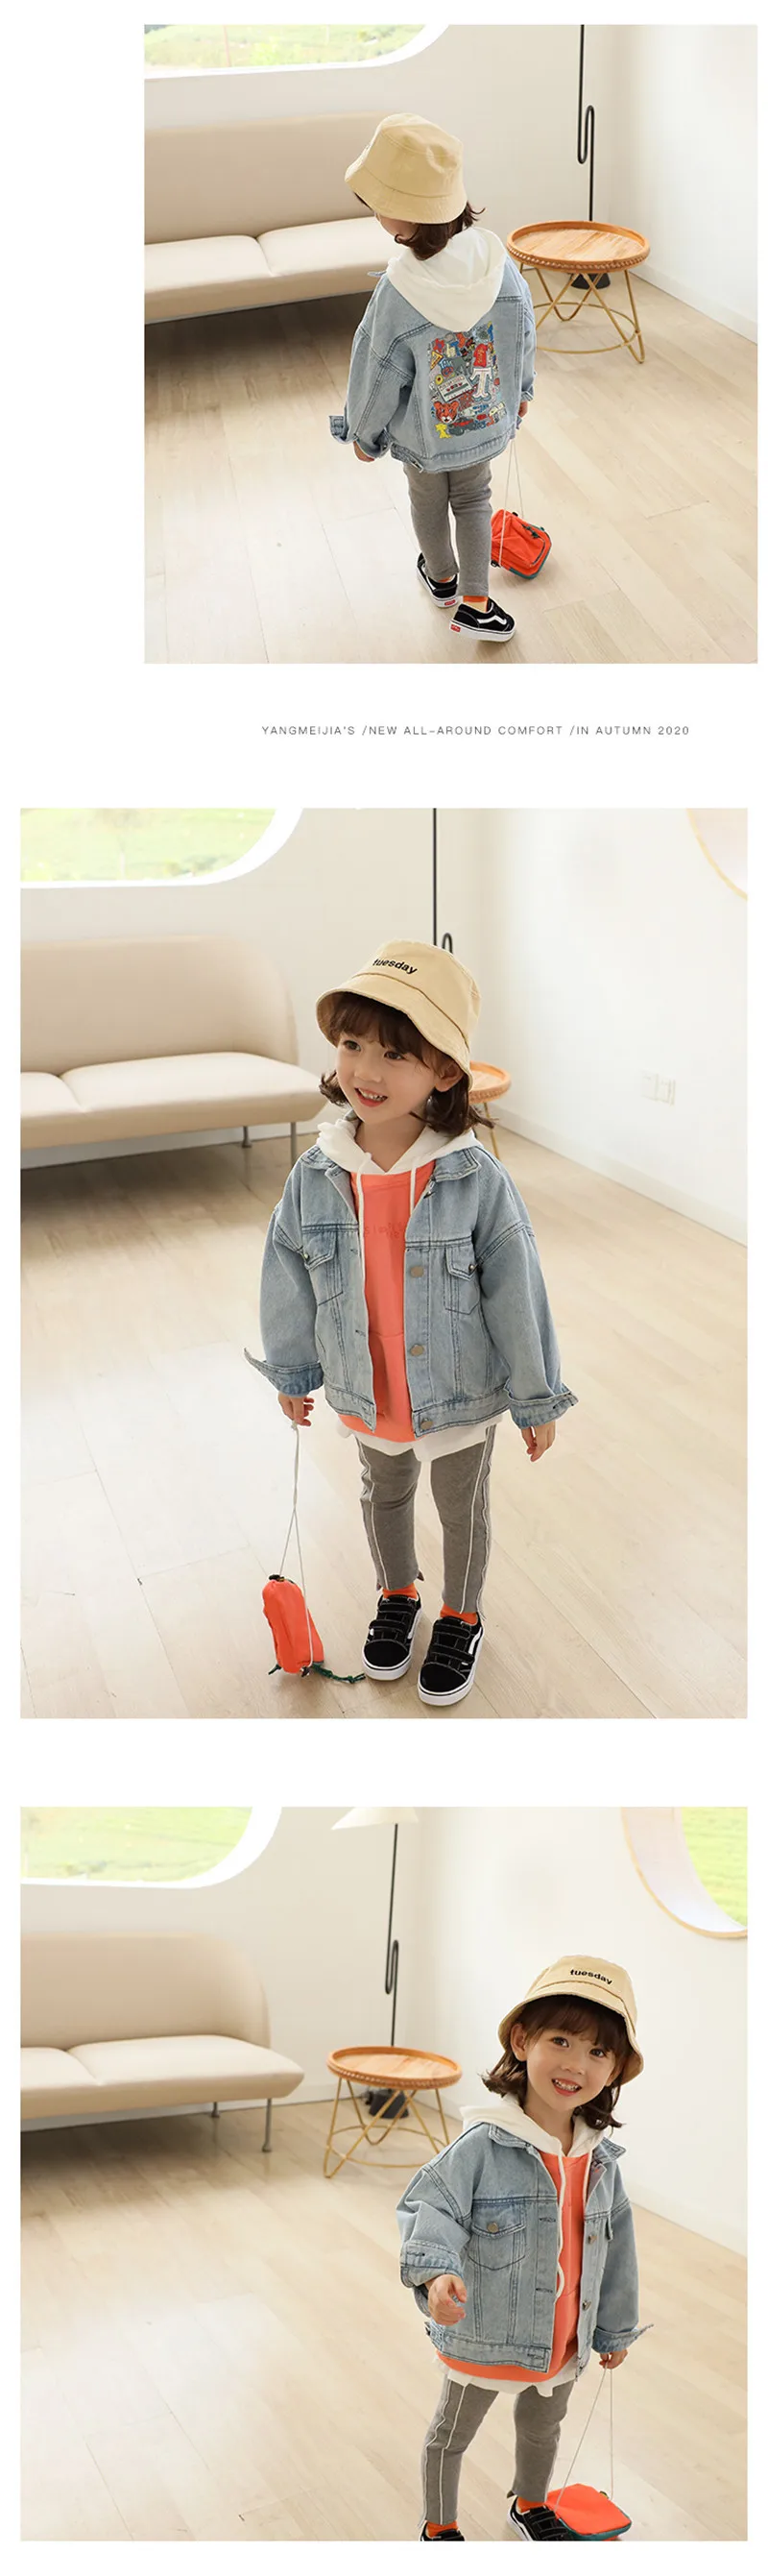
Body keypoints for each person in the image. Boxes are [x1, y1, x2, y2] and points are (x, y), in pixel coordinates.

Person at [251, 939, 575, 1706]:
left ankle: (462, 1614)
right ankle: (397, 1593)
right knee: (383, 1493)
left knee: (463, 1507)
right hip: (368, 1387)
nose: (365, 1070)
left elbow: (516, 1290)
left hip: (459, 1387)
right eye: (352, 1044)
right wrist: (293, 1370)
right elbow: (286, 1274)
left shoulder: (476, 1179)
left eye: (395, 1054)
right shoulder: (316, 1174)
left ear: (445, 1073)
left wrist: (535, 1396)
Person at [396, 1957, 645, 2541]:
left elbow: (617, 2251)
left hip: (562, 2336)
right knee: (451, 2435)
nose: (576, 2064)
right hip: (485, 2333)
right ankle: (439, 2526)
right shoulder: (481, 2145)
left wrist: (613, 2329)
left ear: (613, 2070)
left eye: (598, 2051)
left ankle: (531, 2505)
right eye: (561, 2040)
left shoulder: (600, 2160)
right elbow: (430, 2207)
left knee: (543, 2428)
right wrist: (436, 2275)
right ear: (521, 2040)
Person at [328, 113, 536, 644]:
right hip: (483, 423)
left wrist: (364, 434)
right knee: (473, 500)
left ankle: (442, 579)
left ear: (405, 221)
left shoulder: (399, 290)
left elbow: (377, 370)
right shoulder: (499, 265)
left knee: (426, 500)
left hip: (423, 436)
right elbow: (522, 333)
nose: (377, 217)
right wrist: (522, 391)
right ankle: (476, 602)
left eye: (380, 208)